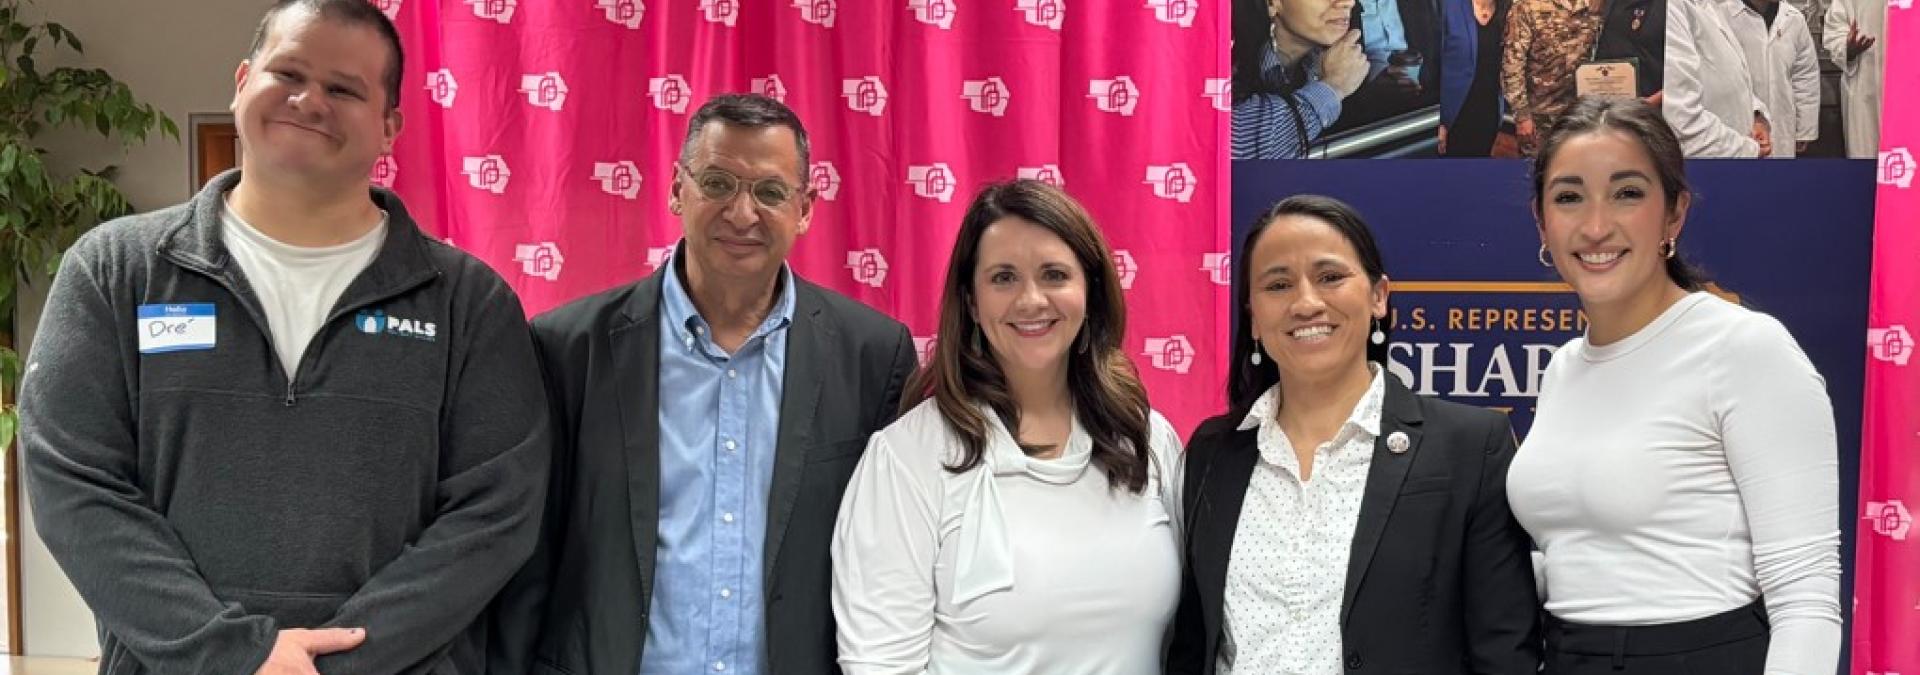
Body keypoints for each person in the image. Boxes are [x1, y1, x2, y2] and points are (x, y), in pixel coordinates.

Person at [19, 1, 550, 673]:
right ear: (242, 82)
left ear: (390, 129)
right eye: (288, 72)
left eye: (344, 89)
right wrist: (232, 653)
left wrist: (336, 659)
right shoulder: (115, 271)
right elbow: (77, 487)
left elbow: (495, 513)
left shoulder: (470, 301)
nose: (309, 100)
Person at [489, 93, 919, 675]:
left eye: (770, 192)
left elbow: (892, 563)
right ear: (675, 188)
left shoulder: (872, 354)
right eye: (717, 183)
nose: (742, 214)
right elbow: (526, 557)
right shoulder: (568, 348)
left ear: (806, 208)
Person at [1514, 97, 1841, 673]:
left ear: (1674, 214)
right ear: (1542, 221)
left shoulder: (1744, 348)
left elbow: (1805, 598)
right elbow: (1591, 553)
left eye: (1627, 193)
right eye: (1569, 196)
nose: (1595, 225)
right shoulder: (1563, 368)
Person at [1167, 195, 1540, 675]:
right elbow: (1192, 643)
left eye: (1330, 277)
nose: (1305, 303)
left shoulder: (1469, 446)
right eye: (1278, 284)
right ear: (1254, 317)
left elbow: (1504, 653)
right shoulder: (1213, 452)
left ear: (1378, 296)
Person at [831, 180, 1184, 673]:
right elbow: (880, 662)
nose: (1031, 300)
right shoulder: (907, 458)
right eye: (1003, 278)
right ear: (972, 302)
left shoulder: (1147, 439)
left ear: (1091, 292)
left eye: (1055, 274)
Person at [1232, 0, 1372, 159]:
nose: (1348, 2)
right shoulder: (1222, 64)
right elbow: (1233, 147)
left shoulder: (1339, 61)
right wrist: (1333, 87)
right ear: (1272, 3)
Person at [1664, 0, 1773, 157]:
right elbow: (1682, 123)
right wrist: (1748, 149)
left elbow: (1727, 74)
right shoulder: (1672, 8)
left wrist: (1754, 115)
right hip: (1709, 165)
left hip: (1731, 152)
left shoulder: (1709, 6)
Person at [1501, 0, 1603, 153]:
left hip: (1581, 116)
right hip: (1539, 118)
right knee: (1537, 172)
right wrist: (1522, 117)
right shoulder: (1527, 6)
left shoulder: (1597, 6)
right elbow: (1512, 65)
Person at [1729, 0, 1822, 157]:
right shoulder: (1724, 16)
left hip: (1782, 124)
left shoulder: (1794, 19)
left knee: (1781, 177)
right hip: (1739, 126)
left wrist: (1804, 129)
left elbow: (1805, 76)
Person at [1440, 0, 1509, 155]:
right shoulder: (1449, 6)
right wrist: (1440, 122)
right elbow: (1432, 65)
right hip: (1453, 116)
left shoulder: (1508, 10)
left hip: (1489, 114)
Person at [1822, 0, 1883, 157]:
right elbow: (1834, 33)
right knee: (1867, 163)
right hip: (1866, 88)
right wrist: (1847, 48)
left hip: (1910, 90)